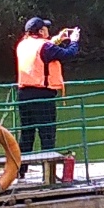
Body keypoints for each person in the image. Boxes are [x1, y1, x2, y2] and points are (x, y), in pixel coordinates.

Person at [13, 15, 81, 153]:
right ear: (40, 32)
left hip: (23, 94)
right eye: (45, 28)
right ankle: (48, 171)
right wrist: (74, 41)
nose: (47, 30)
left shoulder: (22, 44)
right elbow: (68, 53)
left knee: (26, 134)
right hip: (42, 95)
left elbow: (44, 50)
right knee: (47, 134)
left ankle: (21, 171)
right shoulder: (45, 46)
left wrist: (57, 39)